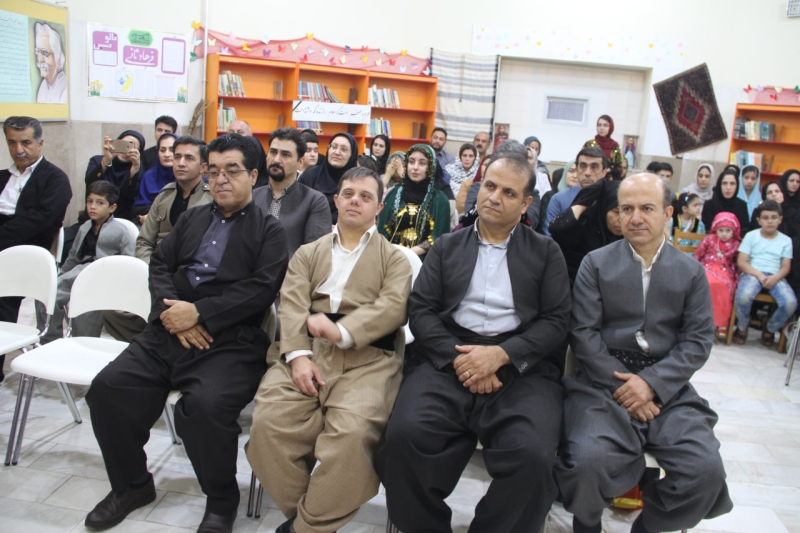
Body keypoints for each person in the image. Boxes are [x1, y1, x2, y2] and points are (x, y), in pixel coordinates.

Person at [84, 133, 288, 533]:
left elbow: (261, 289)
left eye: (232, 171)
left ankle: (222, 500)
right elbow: (160, 264)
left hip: (230, 340)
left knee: (203, 410)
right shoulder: (194, 217)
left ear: (253, 175)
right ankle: (132, 485)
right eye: (214, 171)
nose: (221, 179)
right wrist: (171, 312)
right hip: (169, 327)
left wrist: (200, 314)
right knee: (108, 389)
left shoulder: (269, 230)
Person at [377, 151, 571, 533]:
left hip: (520, 363)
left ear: (526, 203)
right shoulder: (447, 246)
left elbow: (557, 321)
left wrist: (501, 355)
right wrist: (462, 360)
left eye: (509, 193)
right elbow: (422, 311)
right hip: (448, 356)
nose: (494, 197)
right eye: (490, 186)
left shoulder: (546, 252)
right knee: (402, 439)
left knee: (534, 457)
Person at [555, 173, 732, 533]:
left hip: (668, 387)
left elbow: (697, 341)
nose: (635, 218)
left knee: (704, 472)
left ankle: (649, 527)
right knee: (586, 462)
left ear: (668, 213)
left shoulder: (691, 272)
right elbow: (584, 333)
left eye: (647, 208)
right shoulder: (596, 263)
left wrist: (651, 384)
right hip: (604, 383)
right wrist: (626, 386)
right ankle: (587, 524)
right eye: (627, 209)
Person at [247, 167, 412, 533]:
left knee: (353, 437)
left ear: (379, 207)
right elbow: (292, 304)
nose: (355, 201)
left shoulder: (394, 259)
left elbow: (393, 308)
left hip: (368, 360)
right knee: (267, 426)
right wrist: (298, 357)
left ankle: (301, 529)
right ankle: (311, 522)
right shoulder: (308, 253)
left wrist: (343, 330)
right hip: (306, 351)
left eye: (366, 196)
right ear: (335, 200)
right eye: (348, 193)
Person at [104, 136, 214, 343]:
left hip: (188, 277)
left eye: (189, 158)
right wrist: (150, 270)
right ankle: (157, 341)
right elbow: (145, 241)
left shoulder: (212, 199)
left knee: (172, 313)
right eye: (177, 157)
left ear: (203, 167)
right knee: (112, 311)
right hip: (156, 271)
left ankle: (159, 341)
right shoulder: (164, 196)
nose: (181, 163)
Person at [0, 116, 72, 376]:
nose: (18, 149)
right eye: (12, 143)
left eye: (26, 143)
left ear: (40, 144)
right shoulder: (3, 177)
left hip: (26, 253)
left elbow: (41, 221)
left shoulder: (55, 179)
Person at [36, 181, 135, 343]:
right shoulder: (84, 228)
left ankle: (83, 344)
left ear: (112, 207)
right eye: (89, 201)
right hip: (79, 273)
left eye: (100, 203)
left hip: (102, 276)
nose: (93, 207)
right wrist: (61, 275)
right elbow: (73, 256)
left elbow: (129, 261)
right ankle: (49, 340)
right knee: (47, 295)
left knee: (84, 311)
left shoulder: (120, 231)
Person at [252, 127, 331, 258]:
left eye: (285, 155)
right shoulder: (252, 197)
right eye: (273, 152)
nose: (276, 159)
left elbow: (315, 255)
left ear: (300, 162)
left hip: (292, 270)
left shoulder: (314, 201)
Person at [733, 200, 796, 347]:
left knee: (790, 303)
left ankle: (769, 328)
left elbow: (786, 266)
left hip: (776, 275)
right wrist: (759, 275)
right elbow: (742, 262)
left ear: (780, 219)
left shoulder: (786, 241)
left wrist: (775, 277)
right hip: (753, 273)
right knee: (744, 296)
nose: (770, 221)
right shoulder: (751, 236)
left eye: (774, 218)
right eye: (765, 218)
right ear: (759, 220)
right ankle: (742, 326)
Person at [378, 144, 450, 258]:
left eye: (422, 163)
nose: (415, 167)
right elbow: (382, 233)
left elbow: (438, 237)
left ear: (431, 167)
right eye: (411, 162)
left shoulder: (440, 199)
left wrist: (407, 254)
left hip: (425, 260)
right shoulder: (394, 194)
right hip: (390, 257)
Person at [550, 179, 623, 285]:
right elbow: (557, 228)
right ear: (604, 208)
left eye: (627, 211)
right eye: (616, 212)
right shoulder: (584, 231)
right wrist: (586, 200)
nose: (622, 219)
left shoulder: (632, 239)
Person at [694, 213, 742, 337]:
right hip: (707, 267)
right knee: (706, 283)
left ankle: (722, 324)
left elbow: (738, 262)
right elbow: (698, 255)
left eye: (728, 231)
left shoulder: (736, 244)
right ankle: (700, 322)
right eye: (721, 230)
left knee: (723, 288)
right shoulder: (709, 239)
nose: (724, 234)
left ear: (734, 231)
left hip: (726, 272)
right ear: (715, 229)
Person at [543, 147, 609, 236]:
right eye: (583, 166)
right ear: (577, 170)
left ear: (604, 172)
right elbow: (549, 235)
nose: (587, 173)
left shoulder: (611, 198)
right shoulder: (559, 199)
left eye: (594, 167)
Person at [86, 130, 146, 222]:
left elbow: (129, 194)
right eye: (123, 145)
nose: (126, 152)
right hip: (91, 218)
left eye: (131, 148)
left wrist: (134, 169)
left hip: (121, 220)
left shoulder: (138, 169)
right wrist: (106, 160)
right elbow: (90, 183)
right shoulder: (97, 160)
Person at [299, 132, 358, 224]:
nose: (337, 152)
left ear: (352, 155)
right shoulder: (310, 175)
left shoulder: (357, 182)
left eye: (343, 149)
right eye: (334, 147)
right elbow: (296, 209)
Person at [133, 133, 177, 223]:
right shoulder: (149, 175)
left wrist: (155, 214)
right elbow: (137, 209)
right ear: (157, 153)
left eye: (172, 150)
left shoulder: (186, 175)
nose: (167, 154)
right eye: (162, 150)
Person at [701, 169, 750, 235]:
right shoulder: (709, 205)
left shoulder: (742, 205)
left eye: (732, 184)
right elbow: (707, 228)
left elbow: (745, 229)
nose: (728, 187)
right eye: (724, 183)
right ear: (719, 185)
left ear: (737, 185)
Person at [34, 22, 67, 104]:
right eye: (38, 52)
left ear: (58, 60)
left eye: (45, 53)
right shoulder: (43, 87)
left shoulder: (66, 88)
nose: (40, 59)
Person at [583, 115, 623, 179]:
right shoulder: (589, 144)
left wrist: (609, 170)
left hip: (608, 181)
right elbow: (581, 162)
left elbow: (620, 169)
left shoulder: (615, 146)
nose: (602, 128)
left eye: (605, 125)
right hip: (590, 179)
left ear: (611, 127)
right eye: (599, 125)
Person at [446, 143, 479, 211]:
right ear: (460, 157)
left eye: (470, 156)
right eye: (464, 155)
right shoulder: (449, 170)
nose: (467, 159)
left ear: (475, 158)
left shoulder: (478, 173)